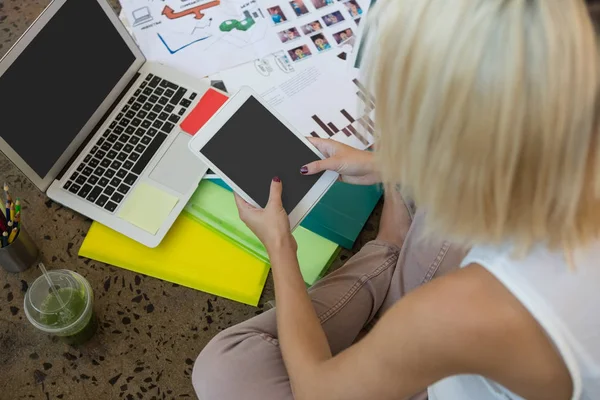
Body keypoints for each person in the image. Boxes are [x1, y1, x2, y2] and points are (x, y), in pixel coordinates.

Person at [193, 1, 600, 399]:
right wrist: (389, 165)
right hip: (471, 335)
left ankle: (388, 256)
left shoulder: (470, 309)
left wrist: (281, 246)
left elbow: (319, 391)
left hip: (440, 363)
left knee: (226, 371)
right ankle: (389, 251)